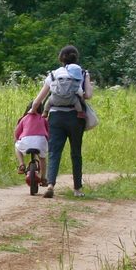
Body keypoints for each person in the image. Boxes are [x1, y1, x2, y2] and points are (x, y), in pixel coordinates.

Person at [33, 45, 92, 198]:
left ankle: (51, 184)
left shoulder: (53, 74)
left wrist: (32, 111)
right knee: (76, 153)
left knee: (54, 152)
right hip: (75, 117)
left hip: (55, 117)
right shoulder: (82, 73)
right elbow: (88, 95)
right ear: (76, 58)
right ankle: (77, 189)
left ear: (61, 58)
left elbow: (39, 99)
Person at [13, 101, 48, 193]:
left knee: (17, 147)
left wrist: (17, 139)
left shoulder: (24, 118)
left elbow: (16, 133)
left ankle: (21, 164)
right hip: (41, 141)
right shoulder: (43, 118)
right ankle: (43, 178)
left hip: (26, 141)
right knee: (42, 158)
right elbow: (49, 132)